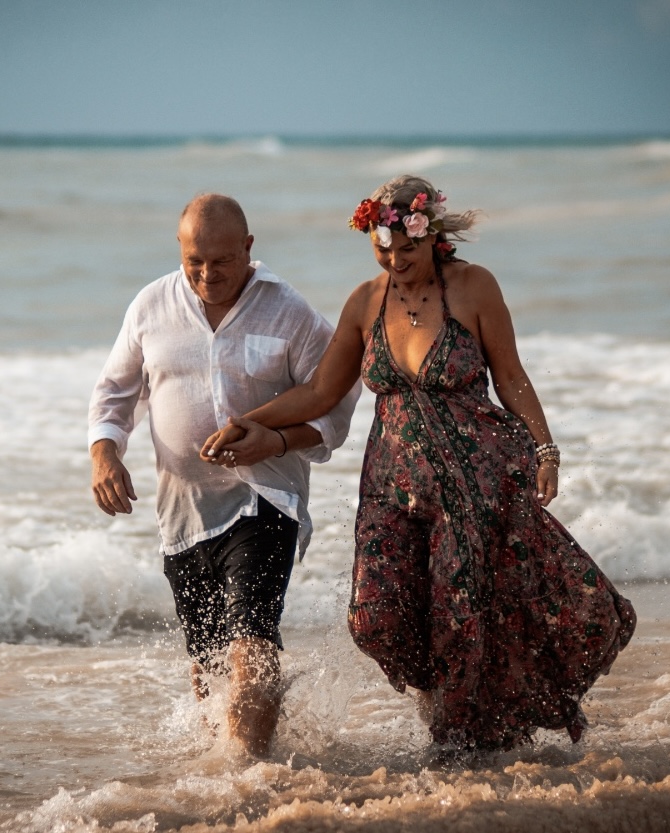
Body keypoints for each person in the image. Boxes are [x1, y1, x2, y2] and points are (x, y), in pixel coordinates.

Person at [202, 175, 636, 753]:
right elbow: (320, 393)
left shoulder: (474, 288)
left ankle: (459, 747)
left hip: (472, 484)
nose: (395, 259)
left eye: (407, 247)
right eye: (383, 247)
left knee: (461, 620)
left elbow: (510, 376)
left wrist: (545, 449)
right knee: (373, 618)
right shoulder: (365, 301)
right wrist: (255, 421)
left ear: (433, 237)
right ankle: (447, 704)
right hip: (391, 487)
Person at [88, 193, 359, 758]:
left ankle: (245, 778)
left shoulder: (289, 311)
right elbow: (114, 392)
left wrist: (279, 439)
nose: (207, 274)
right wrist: (104, 453)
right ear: (181, 252)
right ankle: (226, 768)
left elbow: (336, 403)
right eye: (195, 261)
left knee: (250, 645)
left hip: (263, 500)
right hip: (182, 514)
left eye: (221, 261)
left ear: (249, 249)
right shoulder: (150, 306)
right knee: (207, 664)